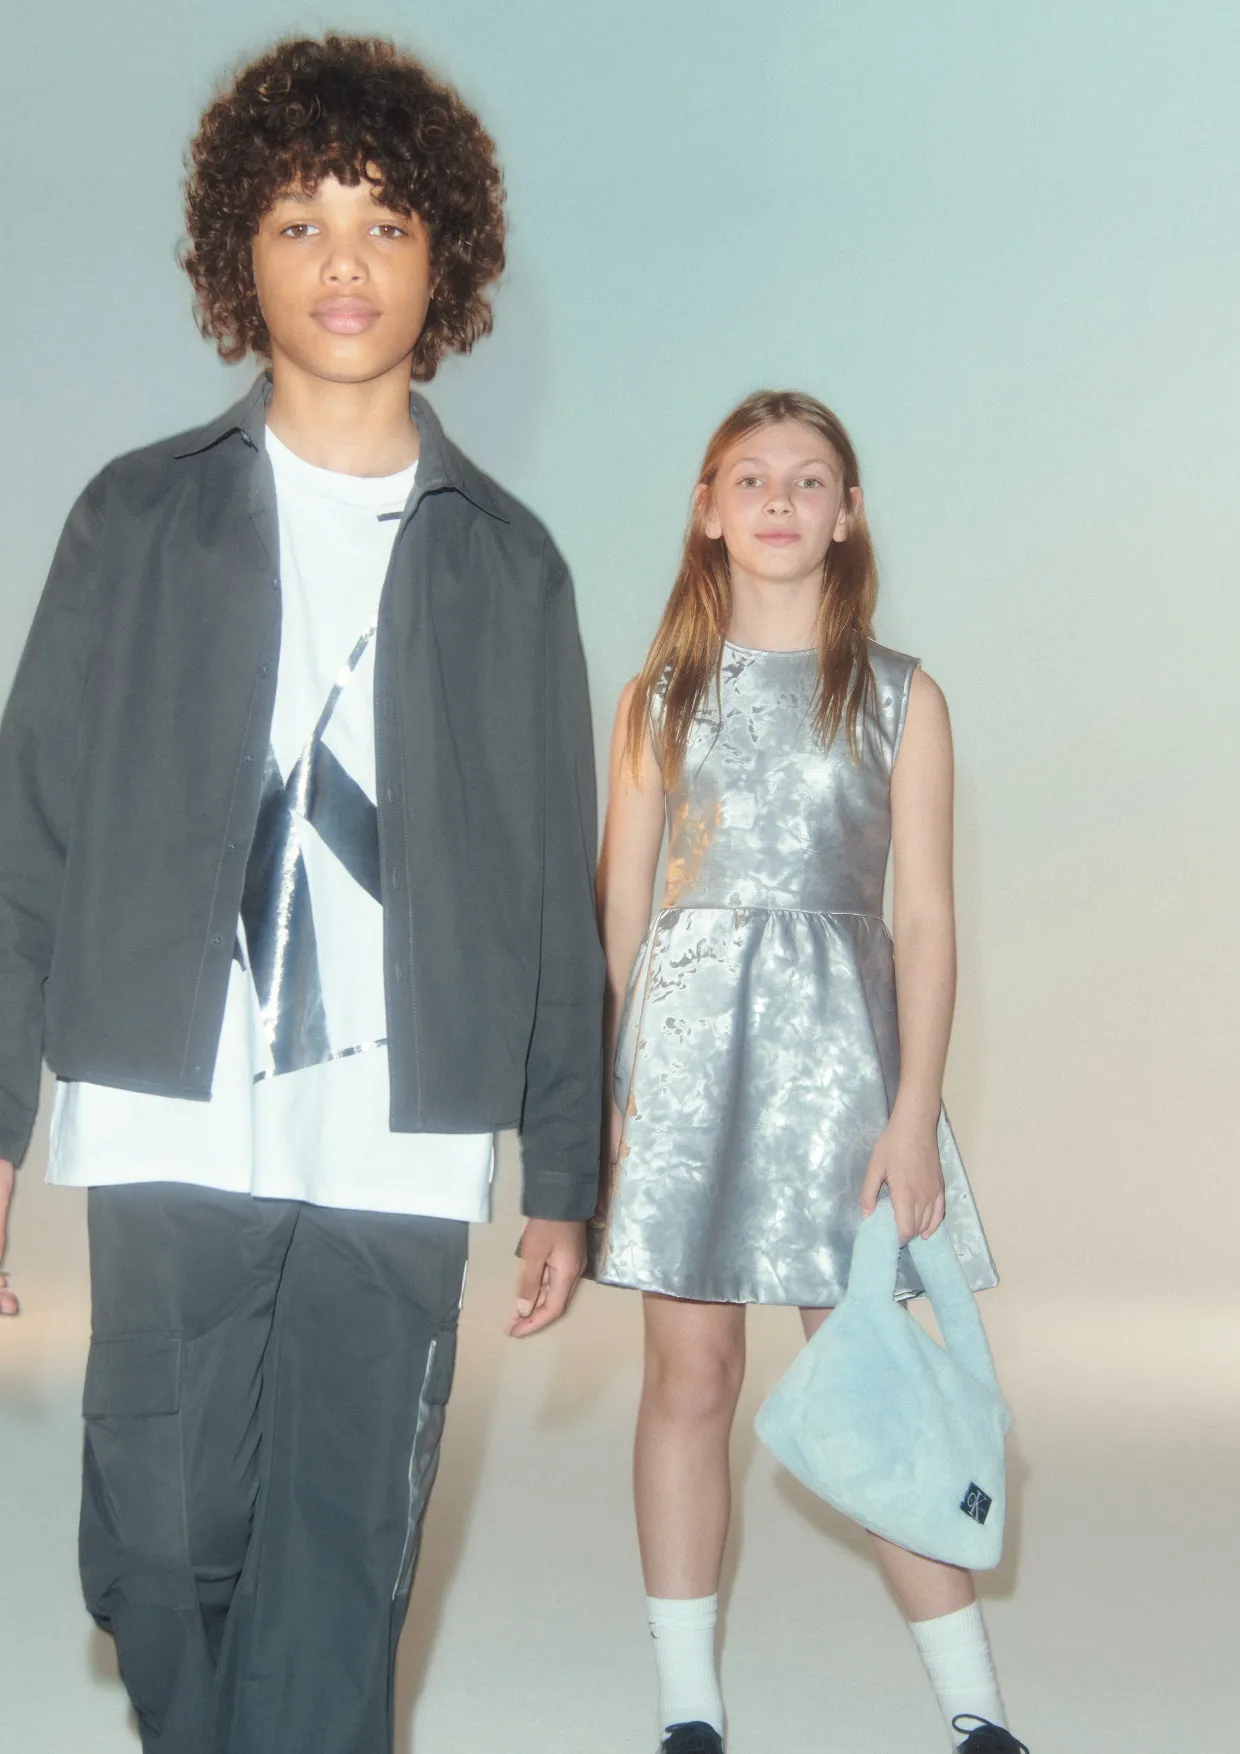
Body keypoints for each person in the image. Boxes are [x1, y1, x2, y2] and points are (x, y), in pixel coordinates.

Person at [0, 33, 602, 1754]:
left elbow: (551, 879)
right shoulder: (137, 520)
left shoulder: (509, 562)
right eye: (299, 222)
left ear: (445, 260)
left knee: (342, 1564)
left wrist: (565, 1165)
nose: (345, 260)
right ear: (236, 259)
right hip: (168, 1104)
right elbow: (28, 834)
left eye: (386, 222)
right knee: (164, 1540)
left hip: (403, 1130)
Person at [588, 390, 1029, 1753]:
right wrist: (604, 1090)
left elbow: (926, 920)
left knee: (874, 1372)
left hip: (842, 1072)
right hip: (687, 1071)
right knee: (690, 1378)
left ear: (849, 516)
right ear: (707, 511)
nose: (779, 499)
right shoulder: (660, 696)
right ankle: (688, 1706)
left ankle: (975, 1710)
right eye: (750, 477)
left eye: (810, 479)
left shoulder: (902, 696)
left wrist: (913, 1115)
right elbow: (621, 908)